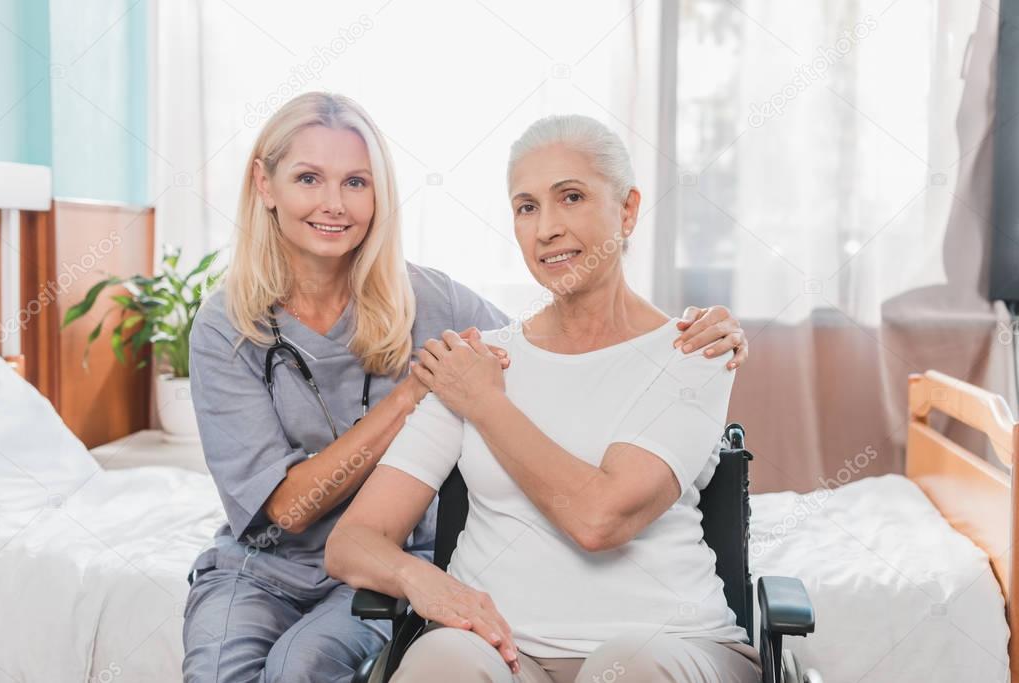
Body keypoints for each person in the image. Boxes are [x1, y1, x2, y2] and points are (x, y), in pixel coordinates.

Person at [182, 92, 749, 683]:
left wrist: (481, 398)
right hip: (294, 570)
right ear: (266, 186)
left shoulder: (683, 350)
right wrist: (418, 403)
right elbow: (311, 522)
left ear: (627, 211)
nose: (548, 228)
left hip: (649, 645)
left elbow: (595, 505)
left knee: (306, 664)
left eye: (572, 197)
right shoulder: (232, 325)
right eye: (526, 207)